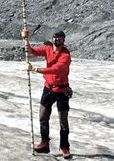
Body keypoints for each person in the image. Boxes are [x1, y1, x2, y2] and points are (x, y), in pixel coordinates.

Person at [21, 28, 72, 159]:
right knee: (43, 116)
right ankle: (44, 142)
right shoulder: (48, 49)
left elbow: (56, 69)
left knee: (63, 120)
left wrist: (35, 69)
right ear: (52, 39)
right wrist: (25, 39)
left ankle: (64, 147)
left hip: (62, 90)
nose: (56, 40)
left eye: (59, 38)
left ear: (63, 40)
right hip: (48, 88)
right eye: (55, 38)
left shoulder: (65, 55)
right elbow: (31, 51)